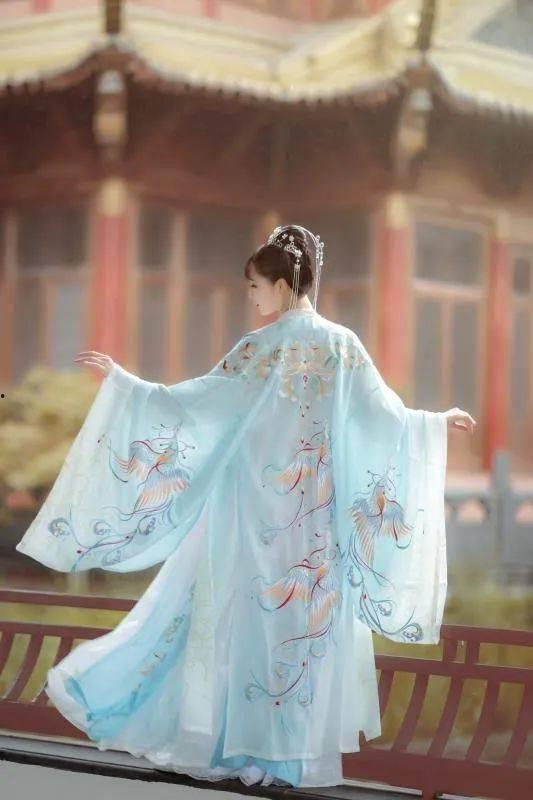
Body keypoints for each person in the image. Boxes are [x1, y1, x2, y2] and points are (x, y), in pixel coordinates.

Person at [15, 224, 475, 788]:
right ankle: (288, 758)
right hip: (315, 527)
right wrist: (432, 424)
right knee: (302, 631)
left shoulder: (259, 349)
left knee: (242, 628)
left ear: (282, 284)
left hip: (251, 519)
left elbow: (192, 405)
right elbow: (386, 419)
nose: (252, 296)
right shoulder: (342, 345)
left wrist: (132, 389)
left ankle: (243, 750)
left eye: (255, 285)